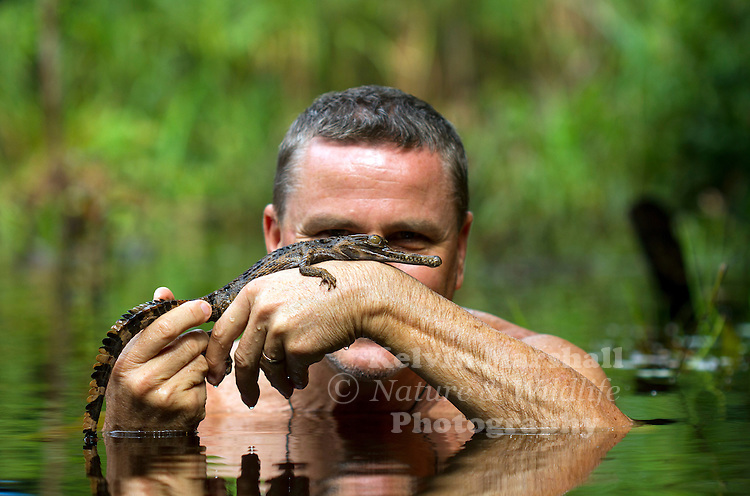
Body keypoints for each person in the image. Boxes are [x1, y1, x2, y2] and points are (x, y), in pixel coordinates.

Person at [103, 85, 631, 439]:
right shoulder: (198, 401)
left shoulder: (556, 370)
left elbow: (601, 433)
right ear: (276, 240)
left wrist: (377, 302)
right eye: (334, 236)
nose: (370, 269)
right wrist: (132, 434)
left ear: (460, 251)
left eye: (409, 238)